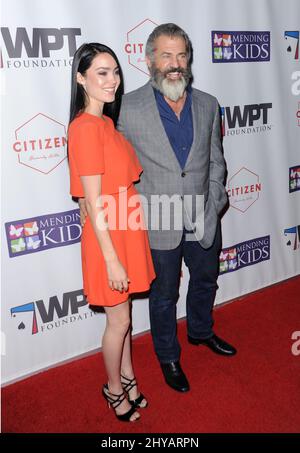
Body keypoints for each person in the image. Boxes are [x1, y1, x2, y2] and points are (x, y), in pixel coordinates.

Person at [79, 24, 237, 393]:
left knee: (205, 281)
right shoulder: (126, 106)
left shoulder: (209, 104)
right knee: (163, 295)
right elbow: (97, 157)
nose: (175, 63)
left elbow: (217, 160)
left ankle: (200, 331)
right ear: (150, 60)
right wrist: (86, 201)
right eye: (166, 55)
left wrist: (215, 200)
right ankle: (168, 355)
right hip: (156, 221)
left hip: (203, 216)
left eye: (181, 54)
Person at [68, 43, 155, 421]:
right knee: (118, 321)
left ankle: (129, 378)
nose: (112, 80)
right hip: (110, 238)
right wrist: (112, 260)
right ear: (80, 78)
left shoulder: (104, 123)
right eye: (101, 72)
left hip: (124, 228)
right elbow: (93, 201)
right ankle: (114, 390)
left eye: (115, 71)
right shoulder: (86, 128)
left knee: (126, 319)